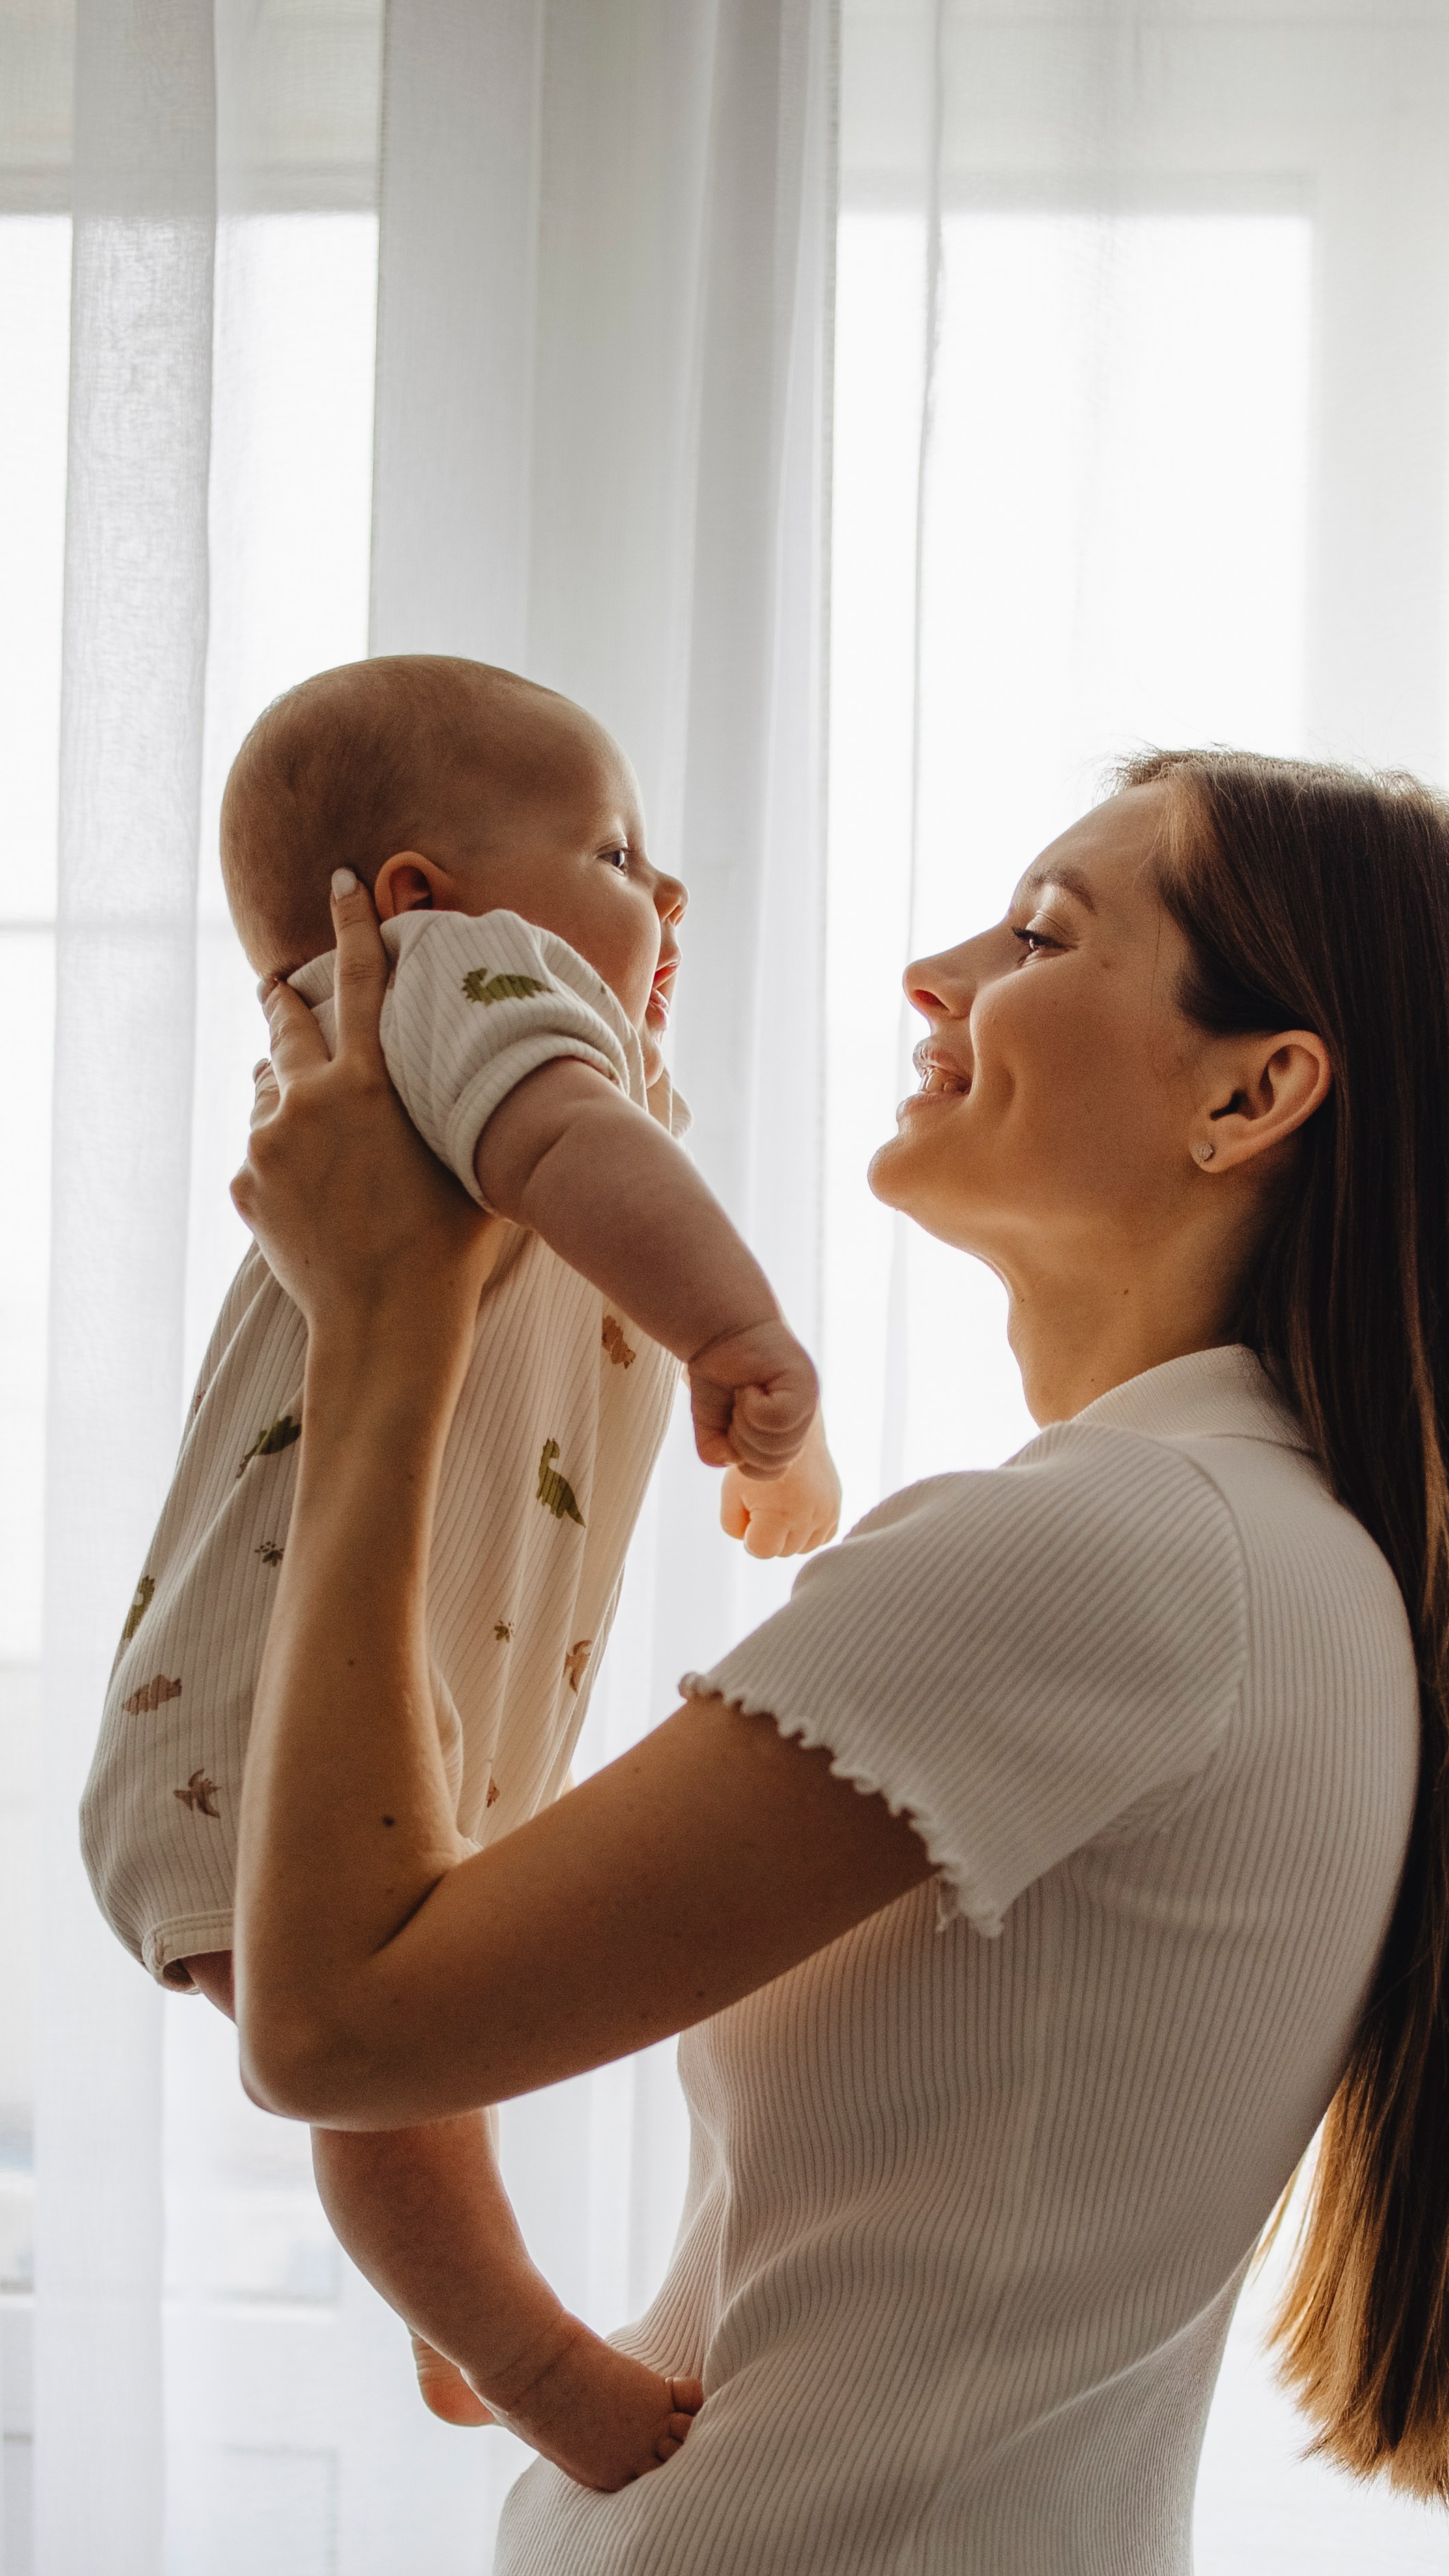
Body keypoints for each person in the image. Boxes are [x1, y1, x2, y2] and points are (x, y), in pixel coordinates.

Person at [227, 750, 1449, 2572]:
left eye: (1041, 933)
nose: (934, 973)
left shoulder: (1109, 1554)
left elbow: (336, 2025)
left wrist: (385, 1323)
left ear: (1256, 1092)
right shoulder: (1279, 1563)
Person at [81, 655, 840, 2487]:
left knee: (425, 2052)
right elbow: (579, 1146)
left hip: (380, 1699)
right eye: (613, 845)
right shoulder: (441, 986)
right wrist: (741, 1340)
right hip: (281, 1712)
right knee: (396, 2065)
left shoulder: (441, 1040)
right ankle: (524, 2353)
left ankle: (455, 2313)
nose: (664, 898)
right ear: (417, 894)